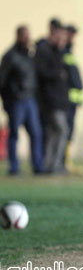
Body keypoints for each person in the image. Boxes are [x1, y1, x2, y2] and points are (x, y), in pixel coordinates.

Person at [0, 25, 44, 175]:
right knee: (14, 134)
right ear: (18, 36)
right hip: (16, 101)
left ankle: (37, 166)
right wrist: (7, 102)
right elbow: (2, 82)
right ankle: (14, 167)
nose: (27, 38)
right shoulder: (10, 56)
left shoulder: (29, 56)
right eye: (24, 35)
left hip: (30, 100)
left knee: (36, 133)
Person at [35, 25, 70, 174]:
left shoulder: (58, 52)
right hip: (51, 101)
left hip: (58, 101)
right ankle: (54, 165)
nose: (63, 41)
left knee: (53, 133)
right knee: (62, 130)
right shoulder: (44, 51)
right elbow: (42, 73)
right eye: (60, 38)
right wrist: (58, 74)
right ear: (54, 35)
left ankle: (50, 165)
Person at [63, 25, 83, 173]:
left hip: (73, 100)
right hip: (66, 100)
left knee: (69, 131)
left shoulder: (68, 51)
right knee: (65, 130)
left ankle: (66, 161)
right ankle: (63, 161)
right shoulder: (62, 52)